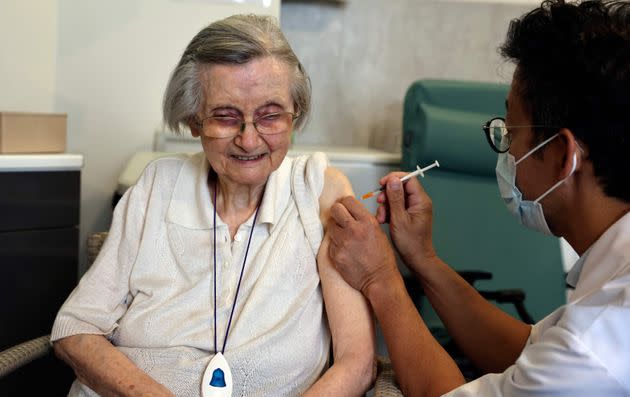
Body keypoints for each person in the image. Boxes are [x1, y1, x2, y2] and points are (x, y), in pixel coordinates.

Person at [51, 14, 375, 397]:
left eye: (270, 115)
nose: (249, 140)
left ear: (295, 114)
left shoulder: (319, 190)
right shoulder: (158, 185)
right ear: (193, 120)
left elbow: (358, 363)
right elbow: (74, 327)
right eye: (225, 116)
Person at [327, 1, 630, 396]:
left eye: (511, 130)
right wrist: (423, 259)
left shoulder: (592, 349)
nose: (505, 149)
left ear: (562, 156)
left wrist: (379, 279)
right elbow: (525, 350)